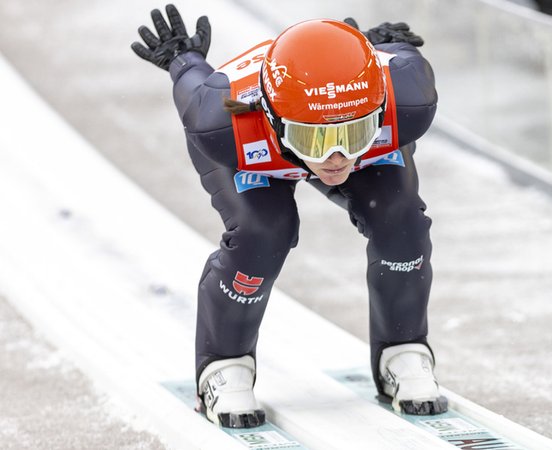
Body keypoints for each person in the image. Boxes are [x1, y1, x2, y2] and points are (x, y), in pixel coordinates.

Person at [131, 4, 447, 428]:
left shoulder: (406, 96)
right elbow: (194, 84)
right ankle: (224, 365)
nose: (336, 157)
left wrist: (381, 45)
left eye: (352, 132)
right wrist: (183, 59)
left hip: (328, 139)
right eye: (314, 138)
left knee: (402, 220)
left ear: (378, 110)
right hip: (254, 156)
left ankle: (404, 350)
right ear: (273, 119)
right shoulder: (222, 120)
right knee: (263, 232)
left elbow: (398, 57)